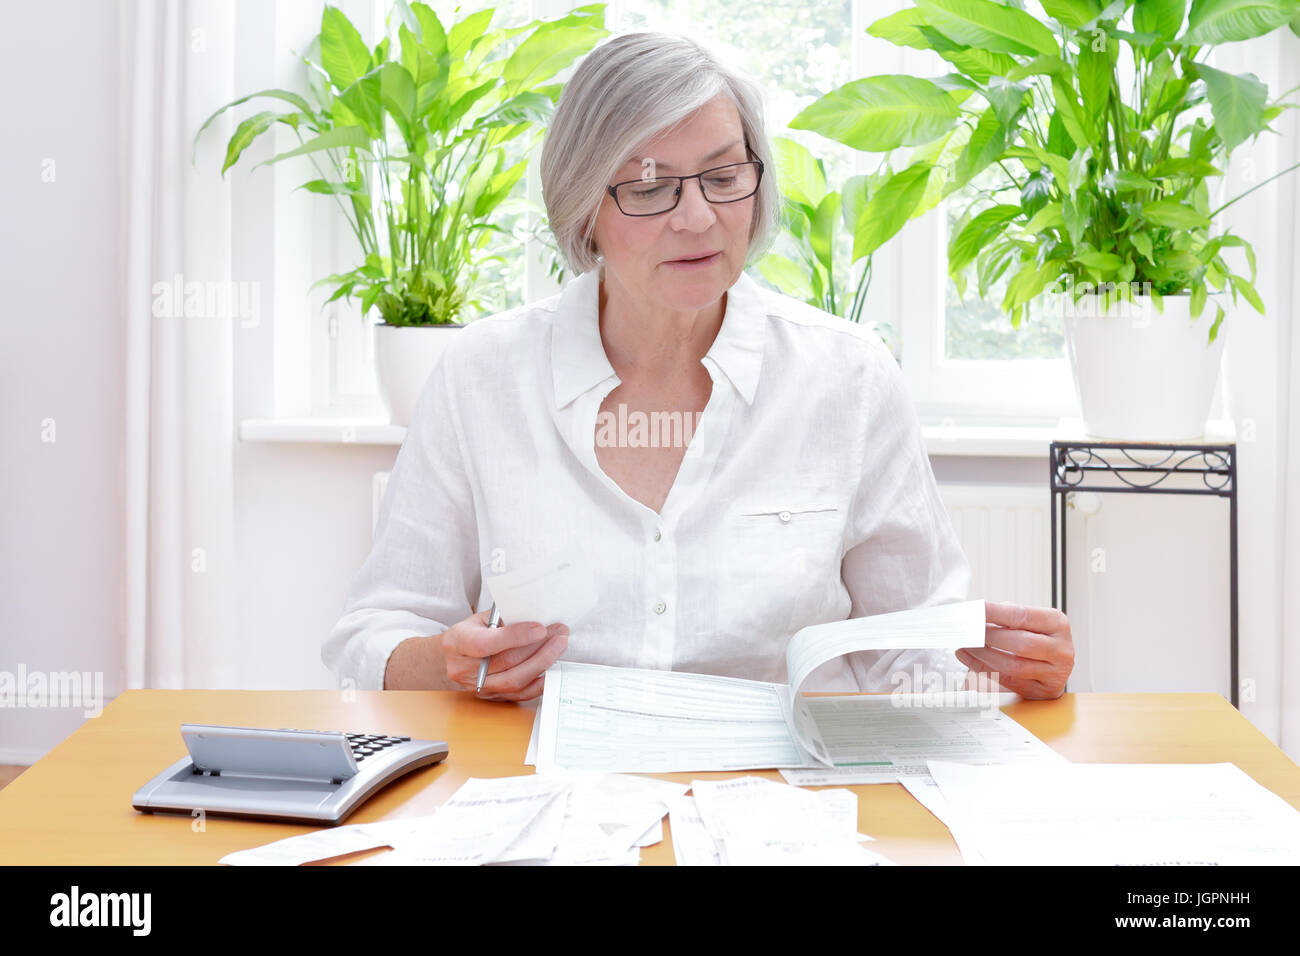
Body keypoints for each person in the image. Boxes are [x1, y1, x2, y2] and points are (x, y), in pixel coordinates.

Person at [323, 31, 1074, 703]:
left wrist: (1005, 670)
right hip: (551, 790)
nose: (696, 217)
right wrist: (448, 662)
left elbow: (908, 650)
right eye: (650, 188)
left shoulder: (848, 378)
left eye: (723, 178)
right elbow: (372, 634)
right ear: (583, 206)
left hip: (781, 801)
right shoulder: (480, 377)